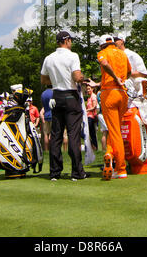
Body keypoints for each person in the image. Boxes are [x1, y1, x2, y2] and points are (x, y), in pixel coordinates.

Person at [41, 30, 89, 181]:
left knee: (56, 135)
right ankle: (77, 172)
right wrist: (83, 78)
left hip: (56, 96)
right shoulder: (72, 56)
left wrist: (57, 80)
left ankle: (55, 173)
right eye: (70, 40)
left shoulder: (49, 58)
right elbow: (76, 76)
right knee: (73, 134)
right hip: (70, 95)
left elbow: (43, 80)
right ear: (67, 40)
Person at [97, 34, 131, 180]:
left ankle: (121, 168)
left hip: (109, 93)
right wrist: (120, 79)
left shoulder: (103, 52)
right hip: (122, 94)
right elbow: (129, 72)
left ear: (101, 45)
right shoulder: (123, 54)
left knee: (114, 131)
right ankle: (109, 155)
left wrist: (114, 77)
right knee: (115, 130)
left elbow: (104, 64)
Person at [85, 85, 98, 151]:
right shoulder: (89, 97)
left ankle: (94, 146)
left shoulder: (93, 96)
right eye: (87, 89)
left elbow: (94, 107)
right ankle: (94, 146)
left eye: (89, 89)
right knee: (91, 132)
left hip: (91, 117)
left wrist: (86, 110)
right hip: (88, 116)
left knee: (89, 132)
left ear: (92, 89)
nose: (88, 90)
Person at [40, 85, 53, 151]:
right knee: (51, 133)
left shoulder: (43, 94)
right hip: (52, 115)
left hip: (46, 115)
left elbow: (43, 105)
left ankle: (46, 149)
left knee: (45, 134)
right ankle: (51, 148)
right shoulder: (53, 93)